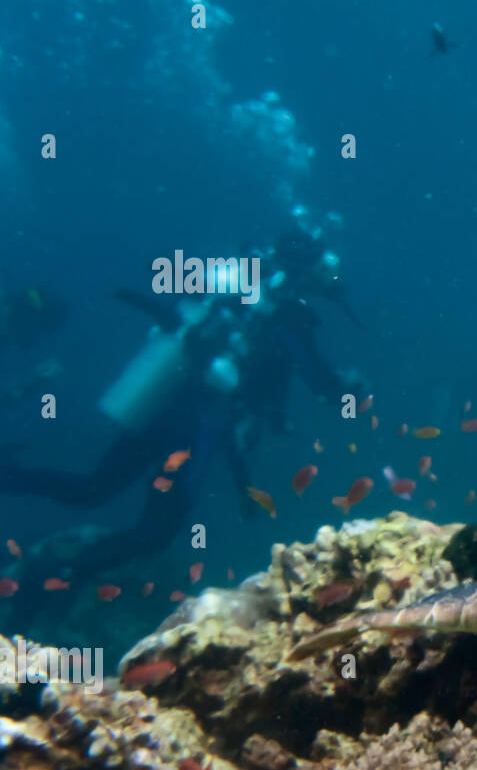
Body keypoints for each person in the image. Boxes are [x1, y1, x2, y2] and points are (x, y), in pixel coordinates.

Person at [0, 228, 366, 590]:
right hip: (196, 425)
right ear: (309, 271)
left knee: (94, 489)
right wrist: (351, 388)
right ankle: (58, 577)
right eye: (325, 272)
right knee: (155, 533)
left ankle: (10, 477)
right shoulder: (287, 315)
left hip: (161, 398)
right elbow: (322, 384)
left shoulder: (236, 296)